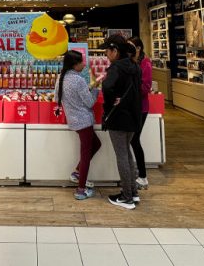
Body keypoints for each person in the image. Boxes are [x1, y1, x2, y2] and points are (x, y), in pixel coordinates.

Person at [100, 34, 141, 209]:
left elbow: (107, 86)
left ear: (115, 51)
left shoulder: (116, 67)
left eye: (107, 51)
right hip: (133, 116)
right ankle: (133, 191)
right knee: (128, 154)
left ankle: (126, 197)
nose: (106, 55)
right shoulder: (134, 66)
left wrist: (111, 102)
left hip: (118, 117)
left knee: (122, 156)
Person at [54, 50, 100, 200]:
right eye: (82, 62)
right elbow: (90, 102)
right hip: (84, 121)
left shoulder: (61, 78)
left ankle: (77, 172)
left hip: (73, 120)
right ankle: (81, 190)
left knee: (97, 144)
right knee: (86, 154)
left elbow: (57, 98)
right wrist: (96, 88)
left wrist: (90, 88)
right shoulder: (79, 80)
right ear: (75, 64)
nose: (84, 64)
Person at [128, 36, 152, 190]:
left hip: (140, 108)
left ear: (138, 48)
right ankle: (138, 172)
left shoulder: (145, 63)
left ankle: (142, 175)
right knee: (132, 139)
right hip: (131, 107)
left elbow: (145, 87)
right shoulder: (131, 62)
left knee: (134, 139)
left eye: (131, 47)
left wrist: (129, 90)